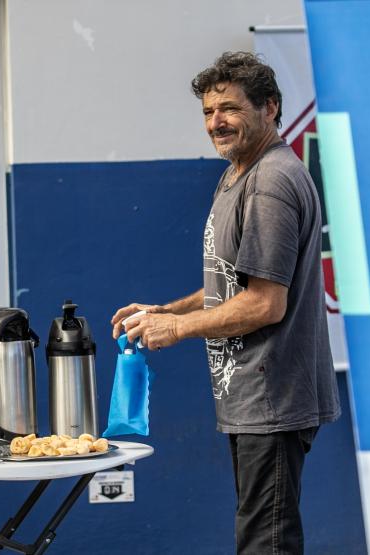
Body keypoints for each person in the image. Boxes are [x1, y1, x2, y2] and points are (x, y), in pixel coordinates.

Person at [110, 52, 341, 555]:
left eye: (230, 109)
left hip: (271, 396)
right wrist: (169, 311)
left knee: (266, 542)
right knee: (259, 533)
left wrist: (178, 330)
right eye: (208, 112)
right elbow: (230, 282)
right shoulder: (238, 174)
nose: (216, 122)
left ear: (270, 108)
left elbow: (264, 303)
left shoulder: (271, 181)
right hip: (251, 398)